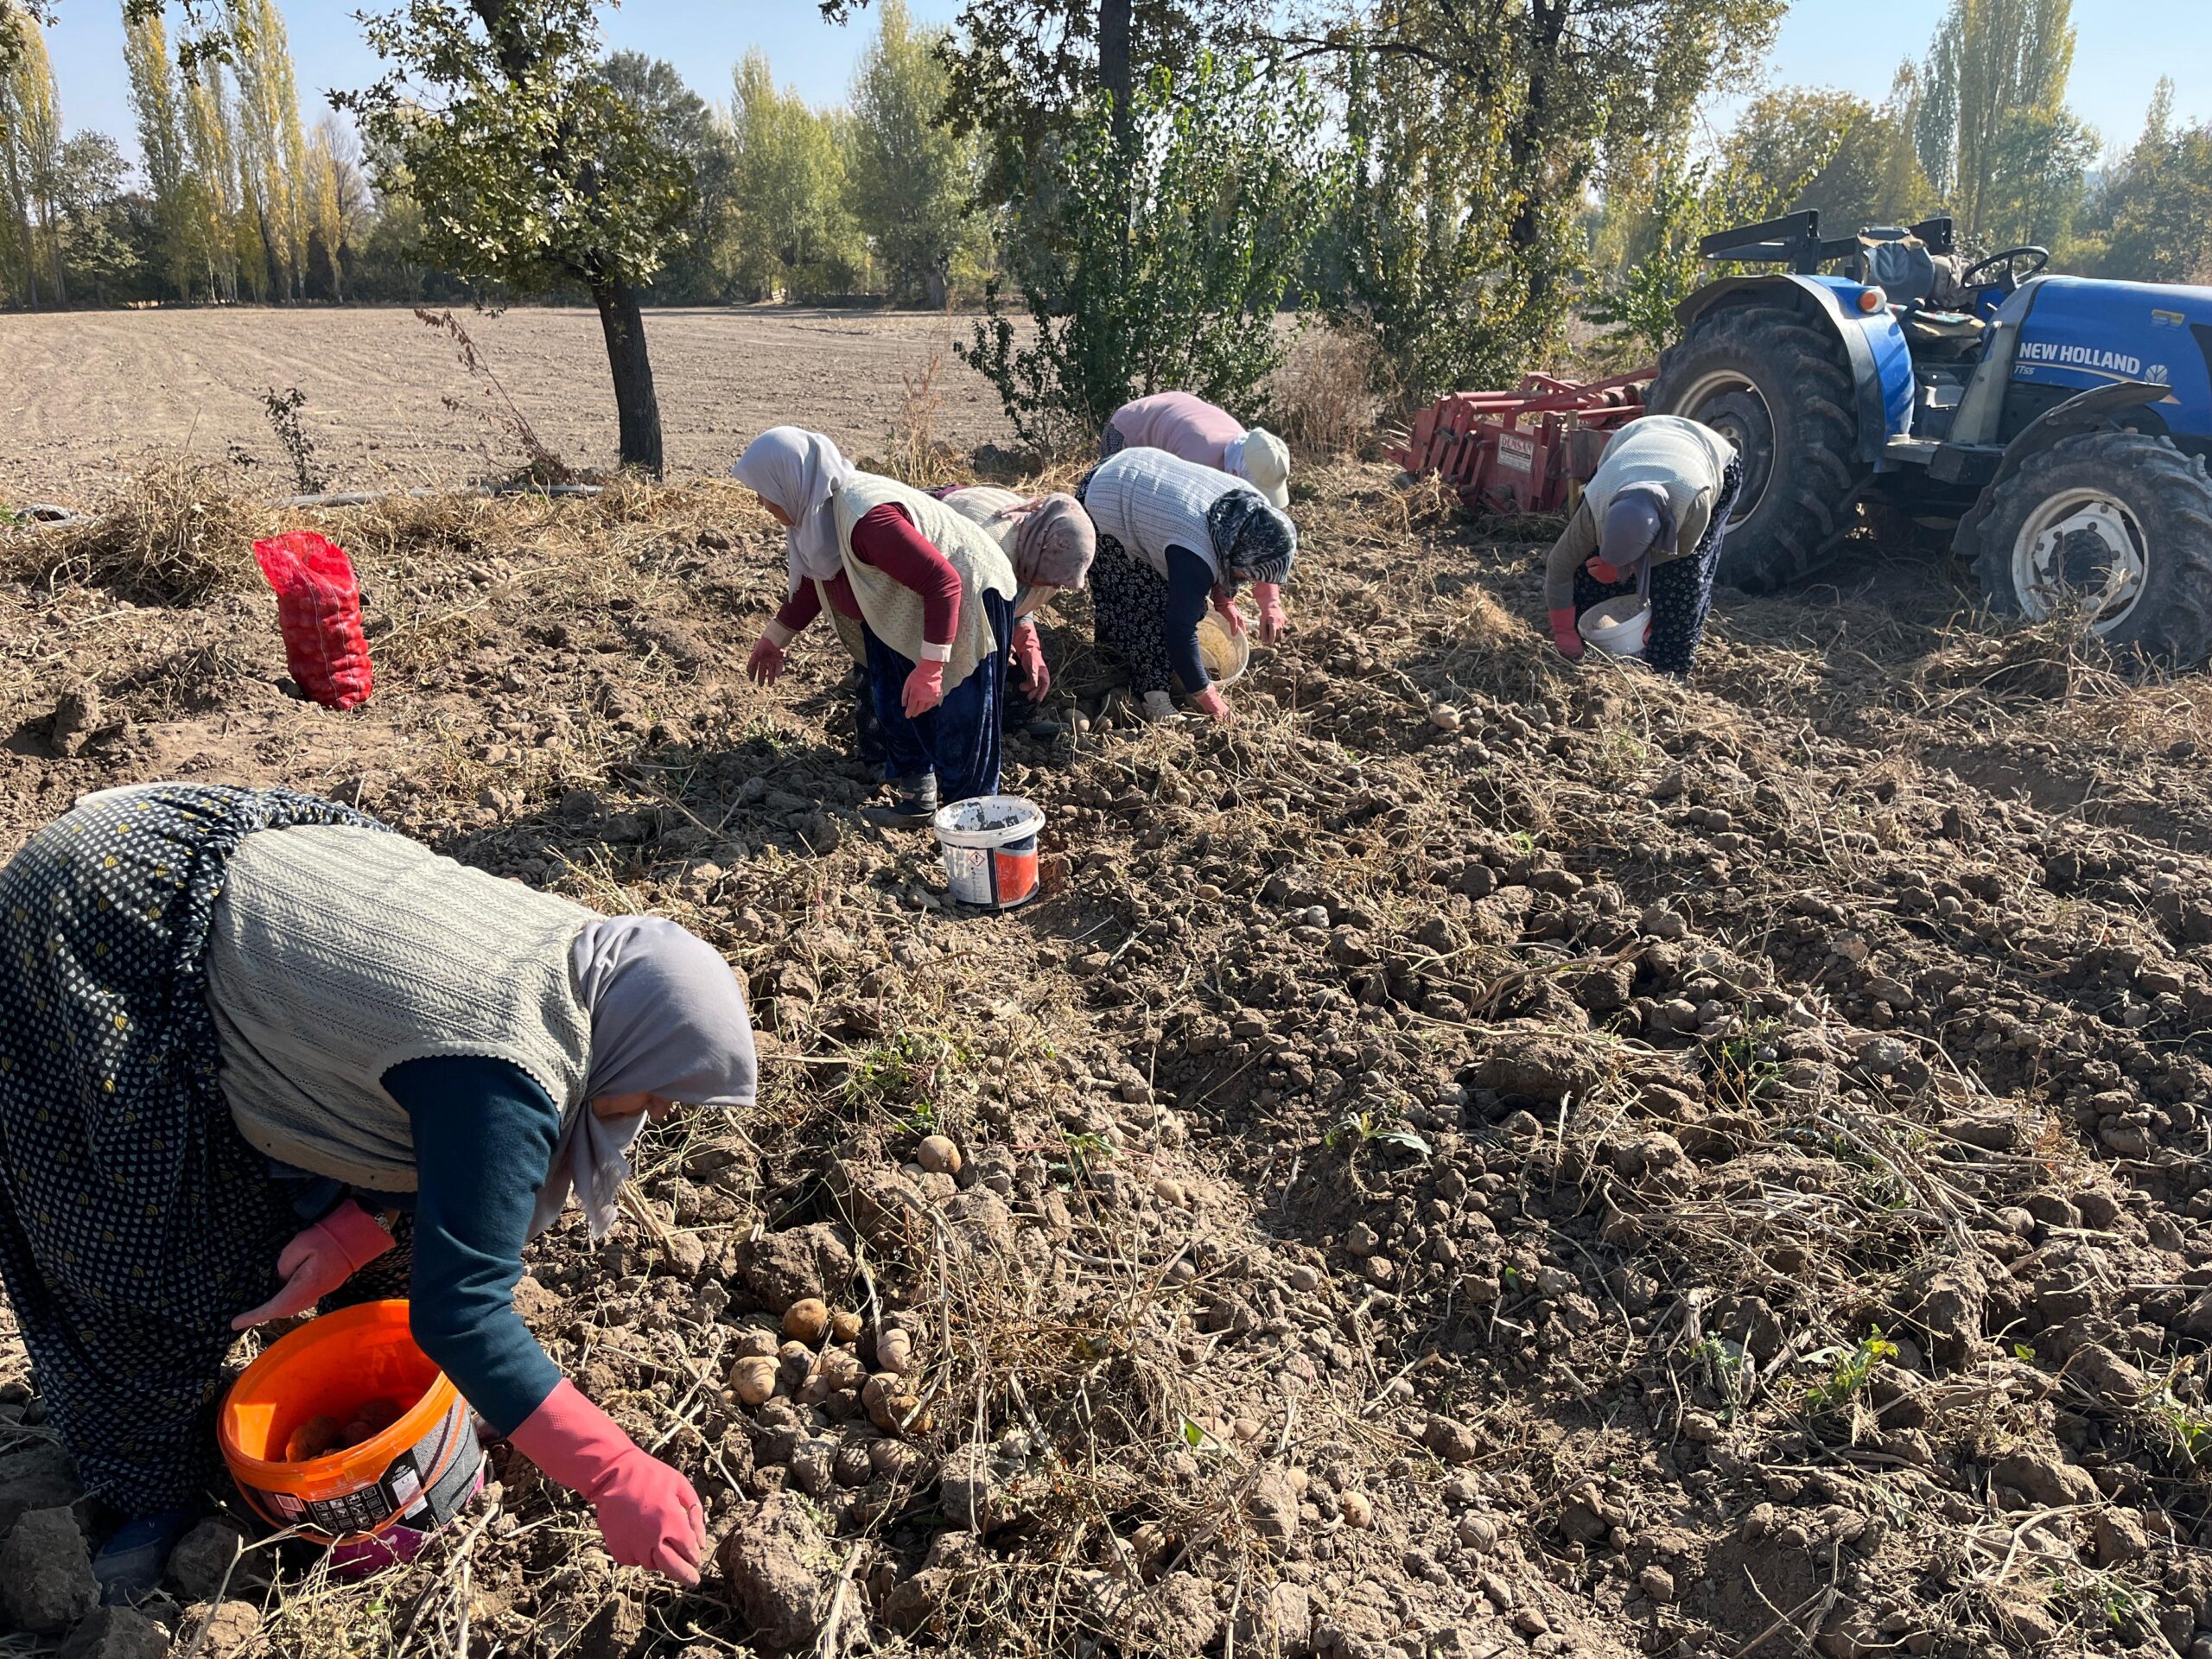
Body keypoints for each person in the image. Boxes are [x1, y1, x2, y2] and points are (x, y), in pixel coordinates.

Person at [0, 783, 759, 1594]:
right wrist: (612, 1472)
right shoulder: (508, 1071)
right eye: (658, 1087)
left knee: (379, 1248)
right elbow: (462, 1311)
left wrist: (353, 1222)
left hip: (200, 870)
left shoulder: (586, 964)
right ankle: (148, 1497)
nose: (655, 1110)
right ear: (633, 1043)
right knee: (138, 1242)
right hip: (106, 922)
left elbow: (396, 1073)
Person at [738, 429, 1023, 828]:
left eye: (764, 491)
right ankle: (917, 799)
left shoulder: (865, 517)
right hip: (901, 604)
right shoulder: (814, 516)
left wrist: (932, 668)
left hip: (967, 591)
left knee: (962, 712)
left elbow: (943, 582)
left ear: (789, 480)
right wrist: (775, 638)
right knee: (893, 696)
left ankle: (973, 825)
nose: (761, 502)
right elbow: (818, 580)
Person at [1076, 445, 1298, 724]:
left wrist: (1224, 599)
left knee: (1169, 599)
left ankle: (1126, 663)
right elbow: (1180, 631)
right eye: (1247, 576)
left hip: (1139, 472)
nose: (1246, 581)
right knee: (1142, 601)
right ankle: (1152, 695)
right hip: (1105, 499)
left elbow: (1226, 555)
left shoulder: (1248, 509)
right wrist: (1210, 699)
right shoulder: (1194, 552)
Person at [1543, 415, 1741, 680]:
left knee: (1680, 579)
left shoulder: (1694, 502)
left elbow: (1681, 551)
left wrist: (1626, 569)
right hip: (1636, 438)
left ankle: (1668, 666)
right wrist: (1563, 632)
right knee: (1586, 568)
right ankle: (1589, 634)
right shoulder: (1594, 507)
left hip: (1709, 458)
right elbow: (1559, 566)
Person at [1101, 391, 1294, 643]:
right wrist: (1221, 600)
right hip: (1129, 430)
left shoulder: (1253, 455)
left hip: (1173, 418)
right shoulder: (1199, 461)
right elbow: (1187, 542)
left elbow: (1262, 540)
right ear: (1236, 474)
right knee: (1134, 546)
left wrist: (1271, 603)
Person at [932, 486, 1096, 721]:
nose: (1054, 587)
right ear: (1042, 550)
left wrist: (1028, 644)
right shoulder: (987, 550)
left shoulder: (1037, 543)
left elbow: (1019, 600)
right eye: (1053, 577)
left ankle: (1001, 722)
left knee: (1015, 672)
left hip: (971, 591)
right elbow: (948, 605)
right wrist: (988, 641)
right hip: (928, 590)